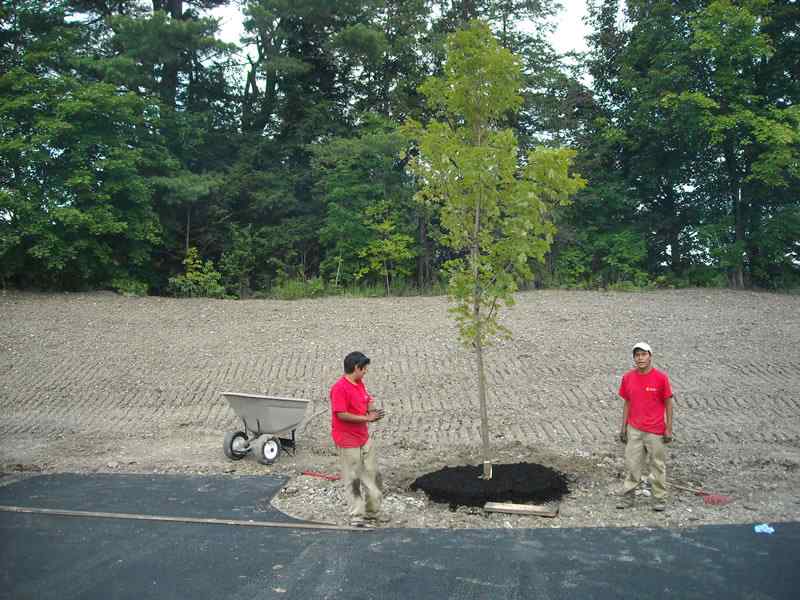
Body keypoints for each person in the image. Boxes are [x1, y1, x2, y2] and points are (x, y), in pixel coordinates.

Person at [330, 351, 387, 527]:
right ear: (356, 367)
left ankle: (372, 512)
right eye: (364, 369)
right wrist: (367, 419)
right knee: (353, 477)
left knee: (373, 473)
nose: (366, 372)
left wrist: (371, 409)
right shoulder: (339, 388)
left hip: (363, 438)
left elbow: (366, 399)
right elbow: (341, 415)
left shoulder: (359, 383)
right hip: (347, 441)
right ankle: (357, 515)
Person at [616, 342, 674, 512]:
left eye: (643, 354)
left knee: (657, 466)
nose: (640, 358)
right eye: (637, 355)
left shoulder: (661, 378)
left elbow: (669, 403)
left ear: (650, 356)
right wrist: (623, 427)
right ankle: (628, 497)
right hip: (634, 429)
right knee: (632, 464)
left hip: (656, 431)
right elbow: (627, 402)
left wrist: (668, 428)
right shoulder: (628, 378)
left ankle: (659, 499)